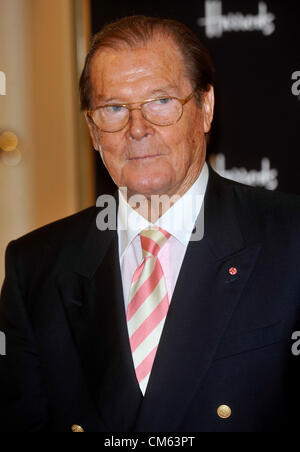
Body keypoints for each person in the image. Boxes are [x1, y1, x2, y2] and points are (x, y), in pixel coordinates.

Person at [0, 15, 300, 433]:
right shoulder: (35, 267)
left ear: (205, 108)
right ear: (92, 129)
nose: (137, 129)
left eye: (161, 101)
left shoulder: (290, 240)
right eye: (114, 108)